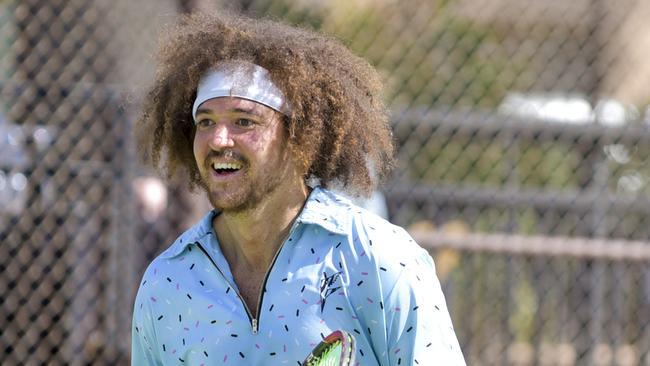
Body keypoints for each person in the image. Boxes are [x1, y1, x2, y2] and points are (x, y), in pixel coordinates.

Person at [131, 12, 465, 365]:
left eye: (244, 121)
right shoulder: (166, 283)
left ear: (298, 137)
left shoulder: (378, 258)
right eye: (206, 122)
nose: (218, 139)